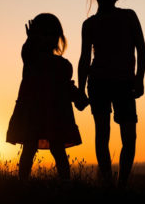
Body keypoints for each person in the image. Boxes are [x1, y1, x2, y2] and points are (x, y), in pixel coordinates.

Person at [78, 0, 145, 187]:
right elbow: (84, 60)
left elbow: (141, 50)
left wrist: (139, 79)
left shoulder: (129, 16)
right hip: (99, 84)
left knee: (129, 136)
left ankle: (122, 184)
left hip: (124, 83)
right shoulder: (89, 25)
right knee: (103, 134)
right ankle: (108, 183)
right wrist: (80, 90)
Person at [7, 13, 88, 180]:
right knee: (30, 147)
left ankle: (63, 183)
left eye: (49, 34)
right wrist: (30, 40)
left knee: (56, 149)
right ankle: (24, 183)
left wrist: (78, 96)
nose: (45, 38)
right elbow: (27, 52)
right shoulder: (32, 60)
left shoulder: (62, 65)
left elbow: (66, 86)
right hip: (36, 113)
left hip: (53, 114)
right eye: (41, 34)